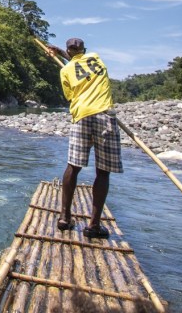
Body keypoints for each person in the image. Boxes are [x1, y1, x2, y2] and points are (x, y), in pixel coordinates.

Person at [46, 37, 122, 239]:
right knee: (103, 171)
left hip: (81, 116)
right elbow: (79, 59)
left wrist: (61, 55)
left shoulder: (65, 70)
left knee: (73, 166)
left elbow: (70, 96)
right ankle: (94, 226)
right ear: (85, 49)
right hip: (104, 115)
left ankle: (64, 217)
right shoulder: (95, 57)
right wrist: (62, 54)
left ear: (67, 51)